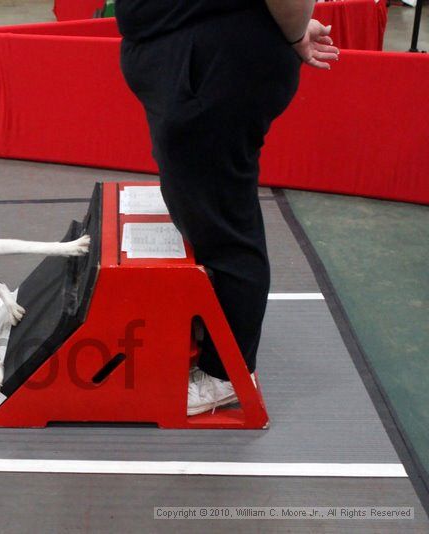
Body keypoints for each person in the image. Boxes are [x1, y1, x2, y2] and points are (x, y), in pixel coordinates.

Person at [115, 0, 339, 415]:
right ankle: (214, 320)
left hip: (218, 65)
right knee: (199, 205)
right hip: (197, 62)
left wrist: (290, 30)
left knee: (223, 222)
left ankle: (227, 374)